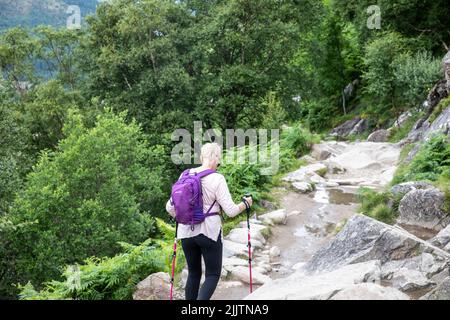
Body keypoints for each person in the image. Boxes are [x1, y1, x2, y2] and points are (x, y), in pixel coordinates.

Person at [166, 142, 253, 300]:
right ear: (215, 158)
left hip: (185, 232)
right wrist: (246, 204)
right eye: (218, 159)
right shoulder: (217, 178)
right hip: (208, 232)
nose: (219, 163)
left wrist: (185, 217)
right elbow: (231, 211)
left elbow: (169, 207)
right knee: (212, 274)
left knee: (193, 274)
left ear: (201, 157)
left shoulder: (185, 175)